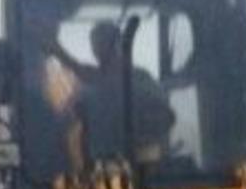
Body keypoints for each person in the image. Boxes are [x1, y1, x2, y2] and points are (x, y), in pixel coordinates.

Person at [74, 21, 175, 166]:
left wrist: (139, 133)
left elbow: (166, 118)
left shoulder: (140, 78)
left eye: (105, 44)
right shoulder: (88, 87)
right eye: (96, 46)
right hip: (101, 167)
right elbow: (84, 130)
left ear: (119, 44)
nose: (99, 51)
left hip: (142, 164)